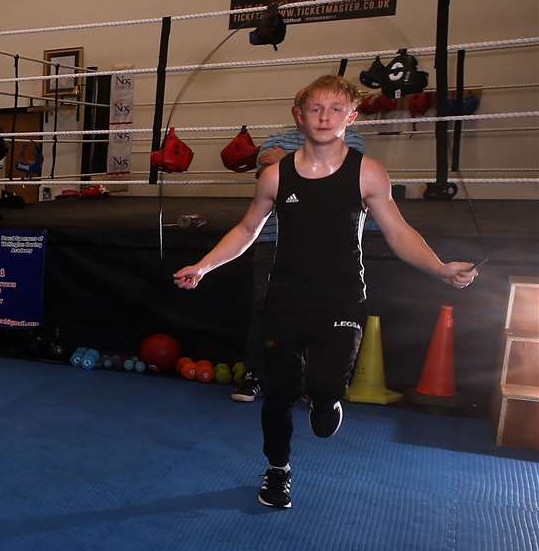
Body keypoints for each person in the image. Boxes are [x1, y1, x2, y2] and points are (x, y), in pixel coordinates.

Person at [173, 75, 476, 510]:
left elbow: (398, 230)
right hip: (285, 298)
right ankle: (278, 470)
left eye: (336, 109)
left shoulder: (367, 173)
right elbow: (246, 230)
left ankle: (329, 399)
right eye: (316, 108)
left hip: (341, 299)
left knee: (321, 384)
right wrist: (203, 266)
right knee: (279, 394)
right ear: (299, 116)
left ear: (351, 117)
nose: (325, 117)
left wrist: (440, 268)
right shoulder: (276, 177)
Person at [230, 112, 369, 404]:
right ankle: (256, 375)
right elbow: (265, 173)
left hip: (327, 246)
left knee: (320, 313)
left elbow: (340, 171)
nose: (320, 116)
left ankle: (312, 385)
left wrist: (286, 157)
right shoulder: (276, 138)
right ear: (299, 113)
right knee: (264, 309)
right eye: (310, 108)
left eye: (330, 109)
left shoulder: (352, 139)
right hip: (273, 237)